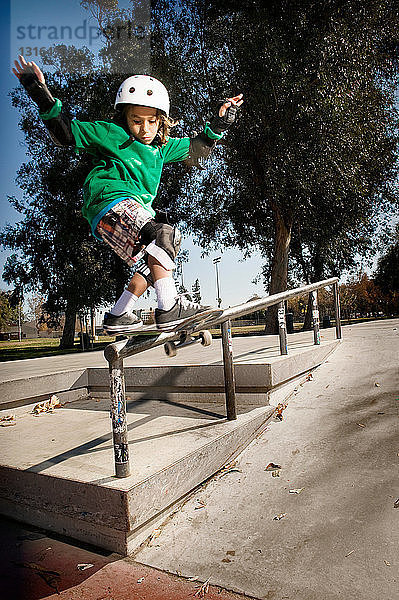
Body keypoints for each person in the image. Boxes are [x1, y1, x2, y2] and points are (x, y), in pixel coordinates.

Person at [13, 55, 243, 332]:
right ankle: (169, 308)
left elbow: (197, 151)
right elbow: (66, 134)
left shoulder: (162, 147)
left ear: (162, 122)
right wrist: (41, 94)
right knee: (162, 234)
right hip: (109, 200)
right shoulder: (110, 133)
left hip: (122, 214)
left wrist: (220, 125)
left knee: (155, 260)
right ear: (124, 117)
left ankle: (119, 314)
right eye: (136, 121)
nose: (144, 129)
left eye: (151, 122)